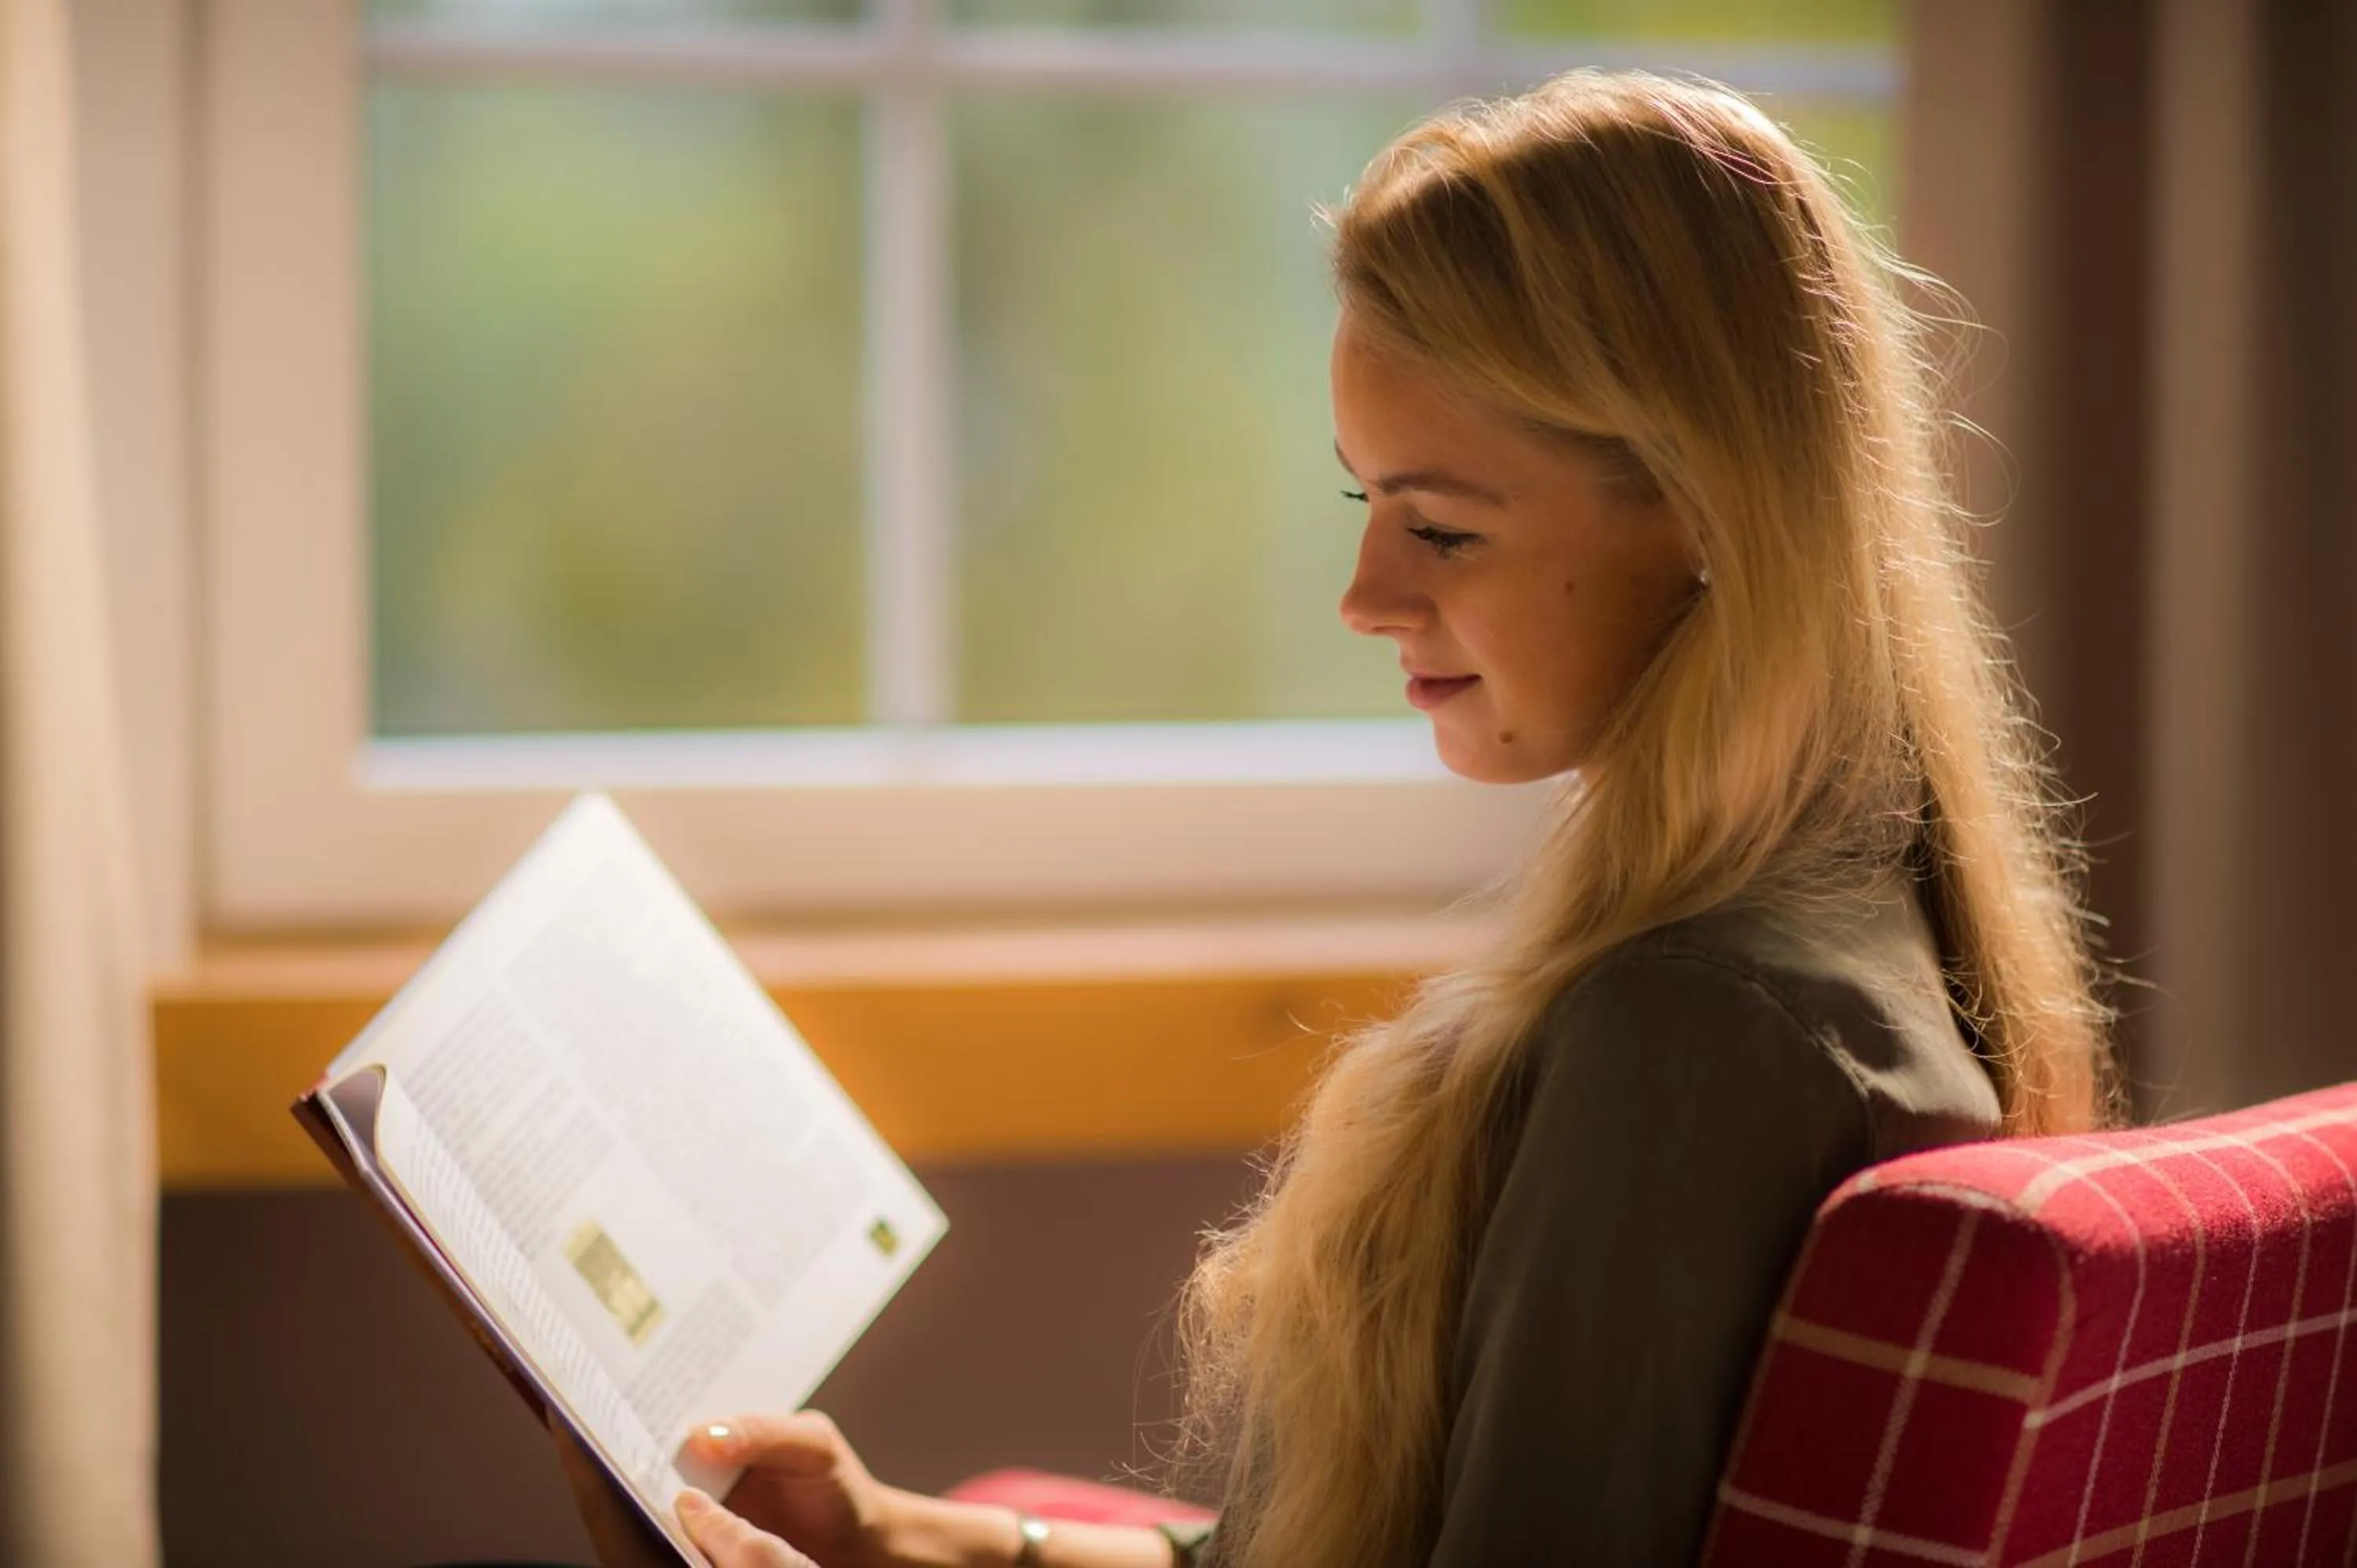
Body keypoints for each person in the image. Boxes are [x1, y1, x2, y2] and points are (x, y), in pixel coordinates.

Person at [556, 68, 2114, 1568]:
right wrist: (907, 1534)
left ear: (1712, 520)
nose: (1366, 597)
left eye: (1443, 525)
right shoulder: (1845, 937)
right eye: (1361, 502)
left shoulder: (1691, 1037)